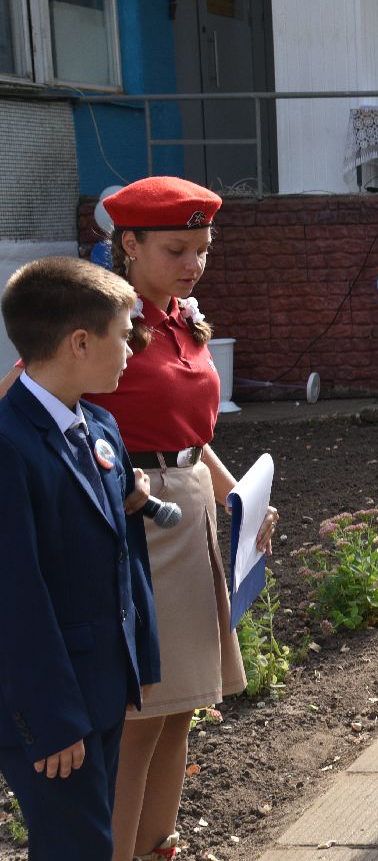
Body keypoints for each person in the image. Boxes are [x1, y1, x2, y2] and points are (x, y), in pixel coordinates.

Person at [94, 177, 278, 861]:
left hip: (192, 509)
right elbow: (26, 404)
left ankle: (158, 847)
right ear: (129, 243)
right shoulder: (95, 316)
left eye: (202, 248)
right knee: (139, 716)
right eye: (177, 249)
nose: (193, 264)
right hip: (135, 521)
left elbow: (188, 430)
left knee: (179, 713)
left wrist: (242, 498)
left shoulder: (179, 314)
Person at [0, 258, 160, 861]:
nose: (129, 350)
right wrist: (53, 717)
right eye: (123, 335)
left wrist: (137, 656)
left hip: (99, 679)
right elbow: (15, 593)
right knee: (77, 847)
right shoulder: (9, 445)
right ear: (80, 342)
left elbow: (120, 545)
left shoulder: (97, 423)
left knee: (89, 838)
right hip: (49, 704)